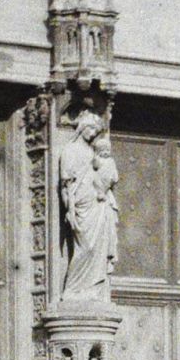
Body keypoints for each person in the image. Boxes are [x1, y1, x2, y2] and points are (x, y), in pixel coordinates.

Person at [59, 112, 120, 300]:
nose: (93, 134)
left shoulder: (92, 151)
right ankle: (73, 289)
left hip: (97, 202)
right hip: (81, 204)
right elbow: (67, 184)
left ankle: (93, 288)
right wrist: (69, 209)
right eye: (91, 129)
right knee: (85, 247)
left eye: (96, 130)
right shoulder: (70, 150)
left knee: (97, 247)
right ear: (82, 127)